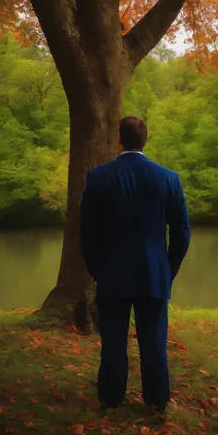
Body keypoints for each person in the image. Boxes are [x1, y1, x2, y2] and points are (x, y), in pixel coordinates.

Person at [80, 115, 190, 413]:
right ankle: (156, 400)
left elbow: (87, 233)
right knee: (153, 342)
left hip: (112, 273)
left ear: (118, 139)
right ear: (146, 139)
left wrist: (97, 268)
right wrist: (168, 268)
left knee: (113, 341)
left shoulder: (99, 177)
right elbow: (181, 232)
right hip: (154, 273)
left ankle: (111, 399)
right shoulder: (168, 178)